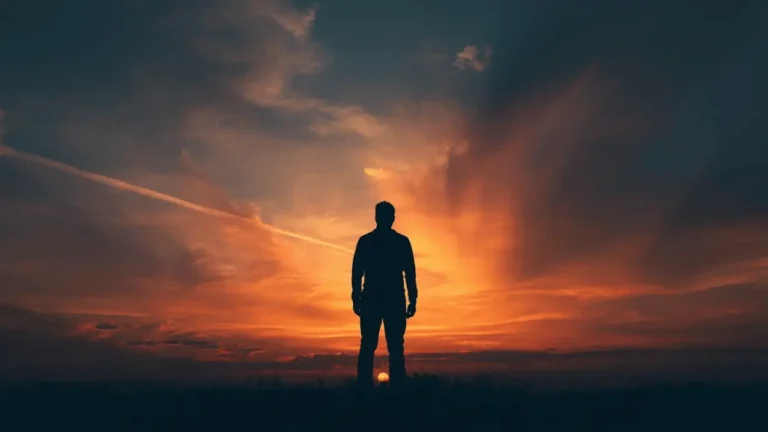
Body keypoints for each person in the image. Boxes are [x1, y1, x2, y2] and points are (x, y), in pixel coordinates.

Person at [351, 201, 418, 389]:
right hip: (389, 298)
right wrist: (413, 299)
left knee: (374, 345)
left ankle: (367, 388)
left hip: (377, 298)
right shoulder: (400, 242)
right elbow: (410, 273)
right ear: (391, 218)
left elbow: (357, 272)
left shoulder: (367, 241)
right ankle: (391, 388)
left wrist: (356, 296)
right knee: (392, 346)